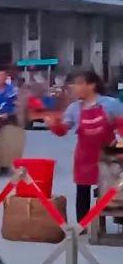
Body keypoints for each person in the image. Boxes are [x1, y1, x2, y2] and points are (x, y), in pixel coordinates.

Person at [50, 70, 123, 220]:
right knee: (82, 191)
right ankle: (82, 225)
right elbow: (62, 130)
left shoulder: (111, 104)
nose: (73, 87)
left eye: (78, 84)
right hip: (84, 156)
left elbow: (121, 127)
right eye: (72, 84)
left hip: (109, 154)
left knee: (114, 188)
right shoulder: (73, 108)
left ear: (91, 85)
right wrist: (54, 124)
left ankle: (118, 217)